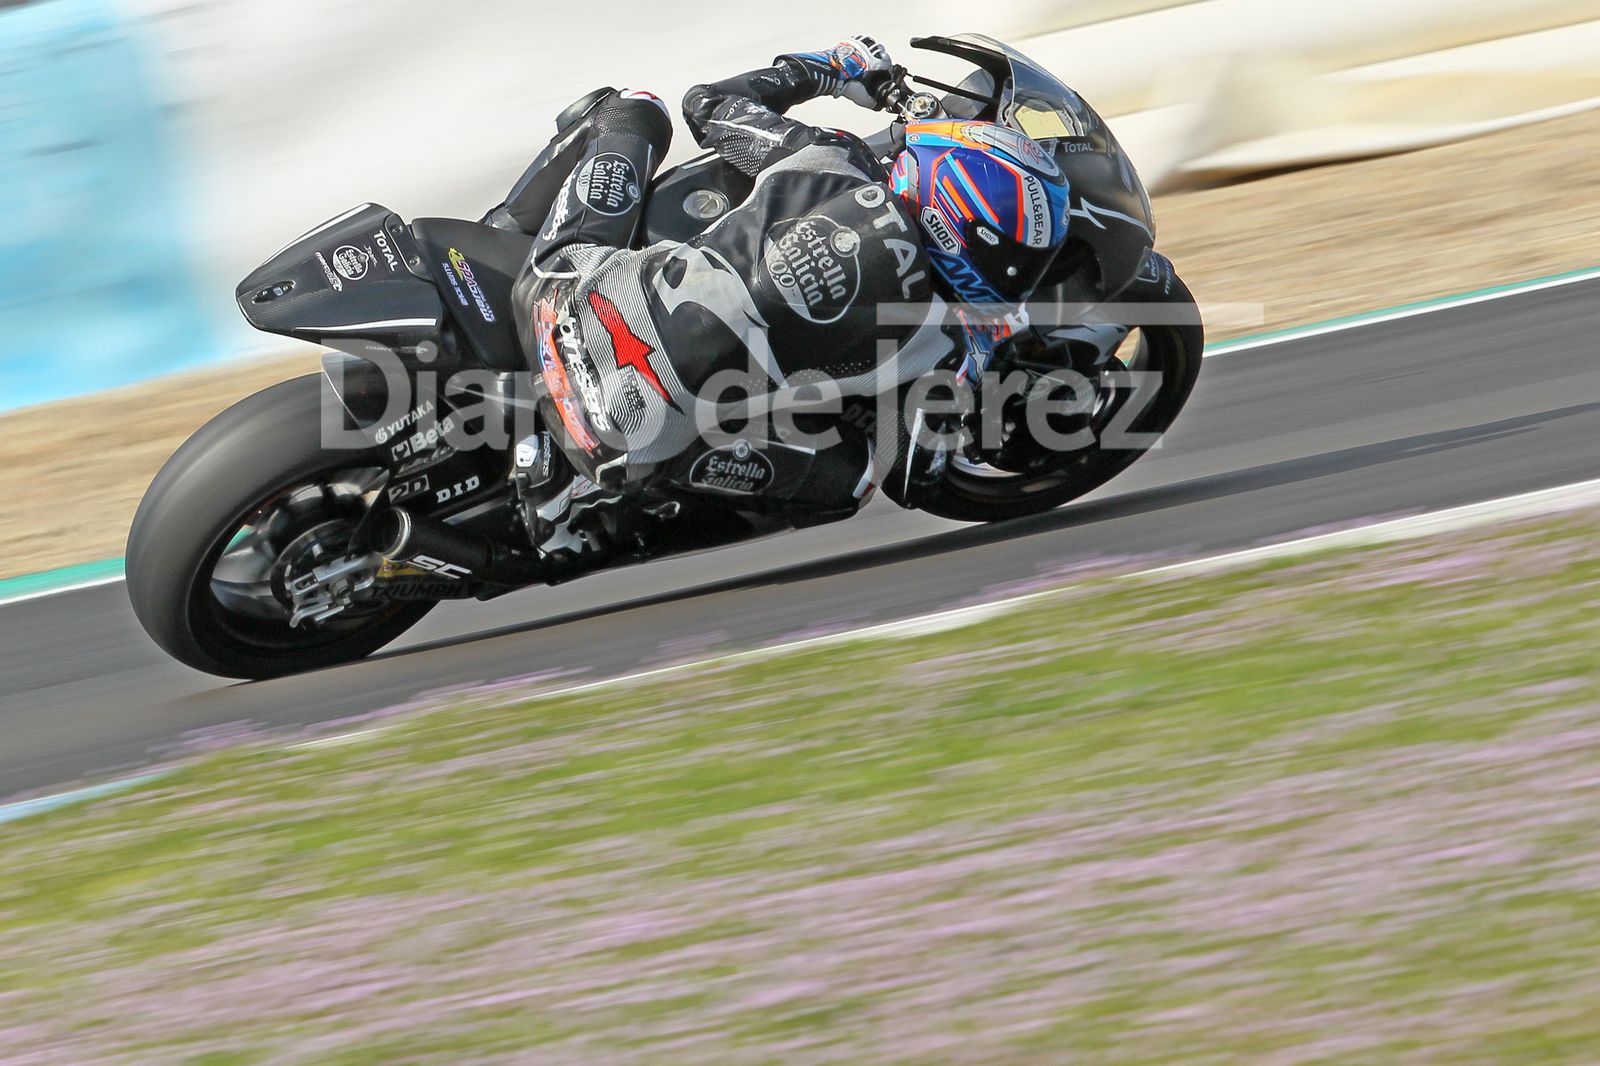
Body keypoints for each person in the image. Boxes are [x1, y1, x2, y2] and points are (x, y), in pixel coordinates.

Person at [500, 36, 1072, 536]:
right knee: (854, 481)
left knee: (631, 111)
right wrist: (979, 358)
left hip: (556, 298)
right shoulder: (938, 343)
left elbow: (707, 104)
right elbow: (914, 473)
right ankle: (582, 505)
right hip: (622, 443)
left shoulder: (831, 162)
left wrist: (830, 66)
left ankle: (500, 232)